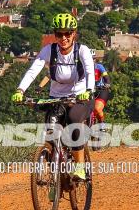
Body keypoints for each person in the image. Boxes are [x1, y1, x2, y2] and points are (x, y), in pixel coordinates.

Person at [11, 13, 95, 180]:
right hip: (56, 97)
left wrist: (89, 90)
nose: (63, 38)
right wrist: (20, 90)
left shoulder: (82, 50)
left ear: (74, 33)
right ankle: (54, 169)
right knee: (51, 127)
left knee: (73, 119)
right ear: (55, 34)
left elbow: (90, 71)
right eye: (59, 34)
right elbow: (33, 71)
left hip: (80, 97)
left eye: (67, 33)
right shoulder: (49, 50)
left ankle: (79, 168)